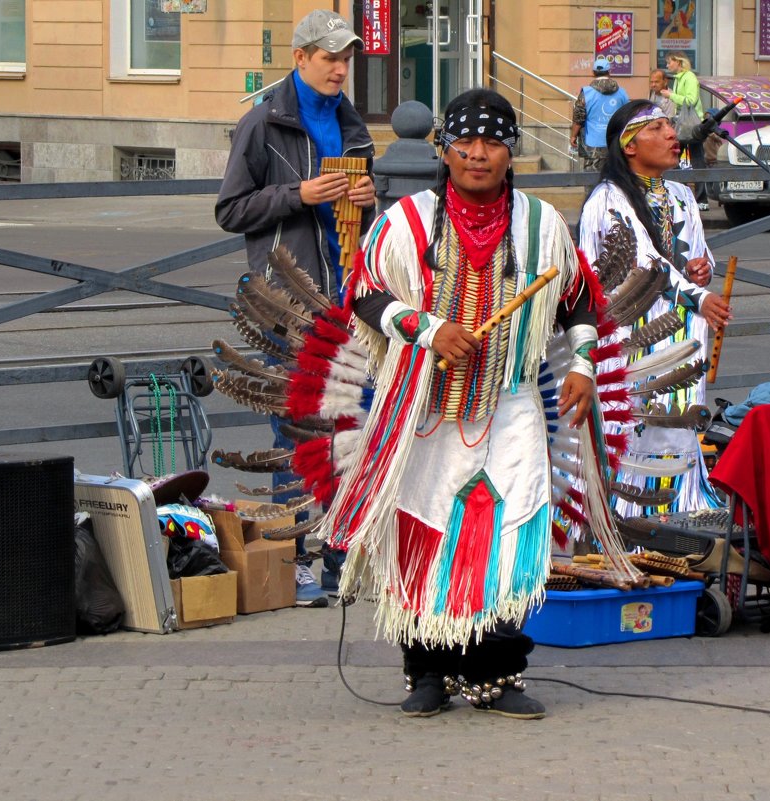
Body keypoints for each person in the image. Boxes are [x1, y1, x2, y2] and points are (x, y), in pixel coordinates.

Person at [315, 88, 616, 720]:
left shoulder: (539, 225)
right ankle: (426, 670)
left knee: (507, 536)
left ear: (511, 152)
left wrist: (584, 365)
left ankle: (495, 672)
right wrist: (424, 328)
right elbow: (364, 292)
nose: (478, 155)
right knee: (427, 529)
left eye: (493, 142)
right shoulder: (409, 221)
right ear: (444, 150)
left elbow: (578, 300)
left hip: (508, 404)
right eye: (465, 143)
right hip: (424, 408)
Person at [215, 9, 376, 607]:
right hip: (288, 301)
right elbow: (231, 209)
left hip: (349, 297)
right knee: (293, 427)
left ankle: (341, 550)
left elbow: (370, 209)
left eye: (346, 59)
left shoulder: (354, 124)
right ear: (300, 57)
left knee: (347, 425)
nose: (340, 69)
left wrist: (368, 197)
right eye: (329, 58)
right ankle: (293, 556)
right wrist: (299, 195)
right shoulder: (262, 124)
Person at [578, 100, 731, 514]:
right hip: (632, 331)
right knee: (635, 422)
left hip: (678, 329)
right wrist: (698, 296)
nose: (672, 136)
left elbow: (697, 253)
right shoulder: (607, 200)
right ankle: (630, 517)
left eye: (670, 126)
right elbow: (640, 263)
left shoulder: (680, 193)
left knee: (676, 420)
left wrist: (702, 269)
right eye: (658, 128)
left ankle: (678, 506)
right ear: (629, 145)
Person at [659, 52, 708, 210]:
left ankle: (701, 199)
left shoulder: (689, 78)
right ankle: (680, 194)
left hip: (691, 124)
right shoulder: (679, 78)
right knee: (675, 158)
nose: (667, 66)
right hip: (682, 122)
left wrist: (672, 95)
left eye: (669, 62)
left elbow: (690, 100)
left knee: (696, 160)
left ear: (678, 63)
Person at [570, 56, 630, 172]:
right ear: (610, 72)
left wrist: (573, 136)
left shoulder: (586, 93)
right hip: (615, 143)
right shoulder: (622, 93)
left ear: (593, 73)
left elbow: (578, 118)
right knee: (615, 178)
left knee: (592, 180)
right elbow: (629, 115)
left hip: (592, 144)